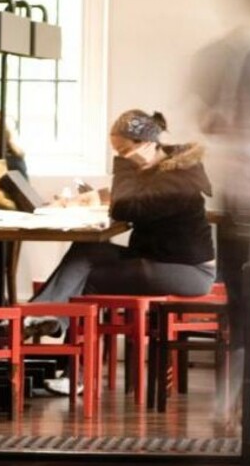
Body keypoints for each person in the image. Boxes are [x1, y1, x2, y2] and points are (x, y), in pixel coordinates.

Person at [26, 109, 216, 338]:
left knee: (80, 279)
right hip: (157, 259)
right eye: (118, 153)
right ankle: (42, 317)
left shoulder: (179, 177)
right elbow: (133, 196)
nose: (123, 157)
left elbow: (124, 208)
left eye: (125, 151)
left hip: (189, 272)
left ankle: (58, 346)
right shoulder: (157, 172)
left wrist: (123, 166)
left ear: (148, 143)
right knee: (86, 250)